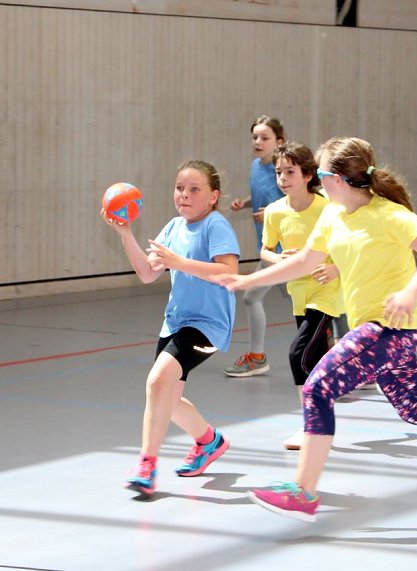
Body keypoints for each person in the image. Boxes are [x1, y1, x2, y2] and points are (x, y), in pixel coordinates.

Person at [215, 137, 417, 521]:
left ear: (337, 179)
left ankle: (304, 491)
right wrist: (248, 281)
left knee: (318, 387)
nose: (318, 181)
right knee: (414, 407)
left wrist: (410, 291)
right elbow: (304, 261)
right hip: (376, 329)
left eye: (321, 174)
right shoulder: (333, 216)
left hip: (391, 328)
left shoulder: (389, 214)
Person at [102, 160, 240, 496]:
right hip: (175, 322)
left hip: (207, 325)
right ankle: (209, 441)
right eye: (180, 188)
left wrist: (179, 263)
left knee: (156, 382)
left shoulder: (216, 225)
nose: (184, 195)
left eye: (194, 189)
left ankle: (146, 465)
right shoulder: (174, 227)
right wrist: (126, 234)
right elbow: (148, 273)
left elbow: (228, 271)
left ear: (213, 196)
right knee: (169, 398)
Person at [263, 141, 344, 450]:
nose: (283, 178)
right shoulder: (274, 212)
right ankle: (324, 420)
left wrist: (335, 267)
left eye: (290, 172)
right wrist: (277, 259)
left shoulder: (328, 209)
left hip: (326, 291)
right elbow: (265, 249)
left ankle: (312, 427)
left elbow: (349, 245)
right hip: (298, 291)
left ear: (308, 175)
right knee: (317, 359)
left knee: (298, 354)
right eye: (278, 172)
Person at [224, 115, 286, 377]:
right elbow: (264, 196)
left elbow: (292, 203)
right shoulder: (255, 166)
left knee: (251, 296)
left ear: (279, 142)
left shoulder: (282, 171)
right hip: (269, 248)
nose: (258, 142)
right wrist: (246, 203)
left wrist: (270, 213)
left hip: (285, 250)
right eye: (255, 137)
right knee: (307, 303)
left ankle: (257, 357)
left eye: (265, 138)